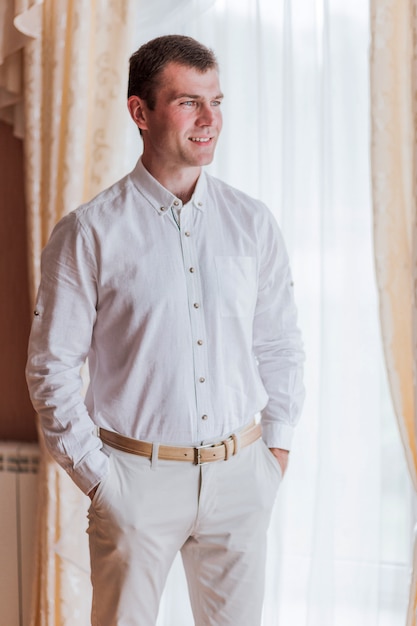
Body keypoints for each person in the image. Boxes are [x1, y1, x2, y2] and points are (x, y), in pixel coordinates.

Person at [26, 34, 305, 626]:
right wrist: (103, 483)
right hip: (134, 482)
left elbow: (279, 343)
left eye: (217, 101)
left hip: (241, 478)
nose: (210, 120)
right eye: (188, 103)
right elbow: (51, 368)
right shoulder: (88, 233)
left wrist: (273, 455)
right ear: (140, 112)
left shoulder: (253, 224)